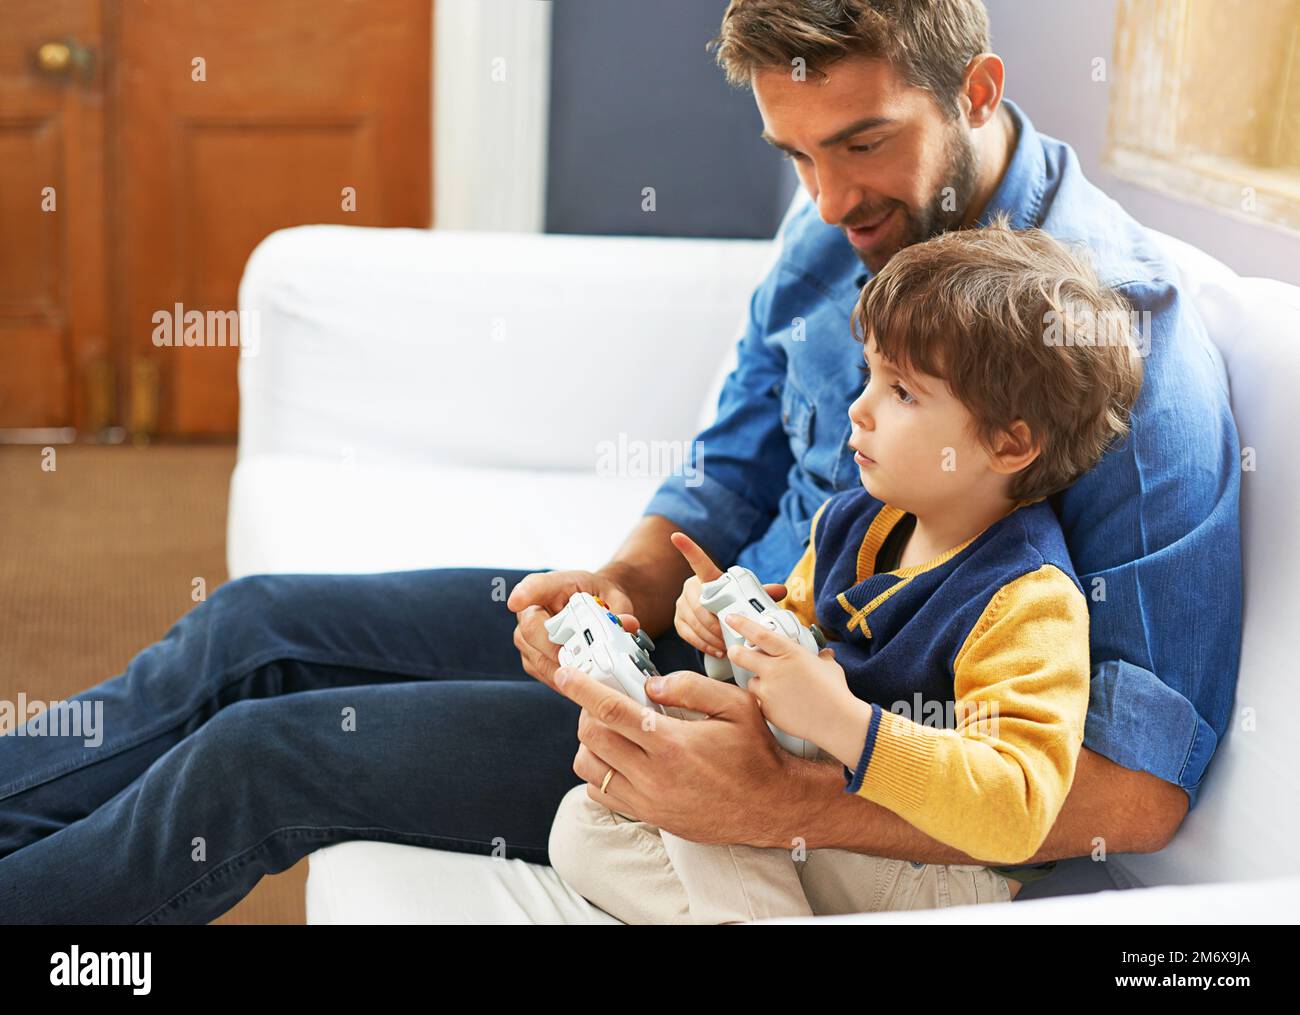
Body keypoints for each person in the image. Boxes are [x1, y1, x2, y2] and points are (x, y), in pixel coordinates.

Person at [0, 0, 1239, 923]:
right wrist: (620, 588)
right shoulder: (835, 235)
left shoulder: (1112, 342)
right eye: (793, 155)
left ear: (975, 89)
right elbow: (726, 474)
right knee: (250, 627)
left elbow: (1135, 795)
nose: (824, 200)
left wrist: (783, 797)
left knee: (263, 758)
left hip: (798, 740)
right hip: (703, 641)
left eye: (860, 144)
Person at [546, 221, 1145, 923]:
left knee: (705, 806)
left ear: (1009, 443)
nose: (858, 408)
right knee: (583, 821)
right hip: (819, 821)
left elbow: (1015, 805)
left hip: (937, 869)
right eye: (870, 375)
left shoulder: (1028, 600)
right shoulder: (853, 520)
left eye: (903, 392)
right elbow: (801, 631)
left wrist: (846, 722)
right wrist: (730, 628)